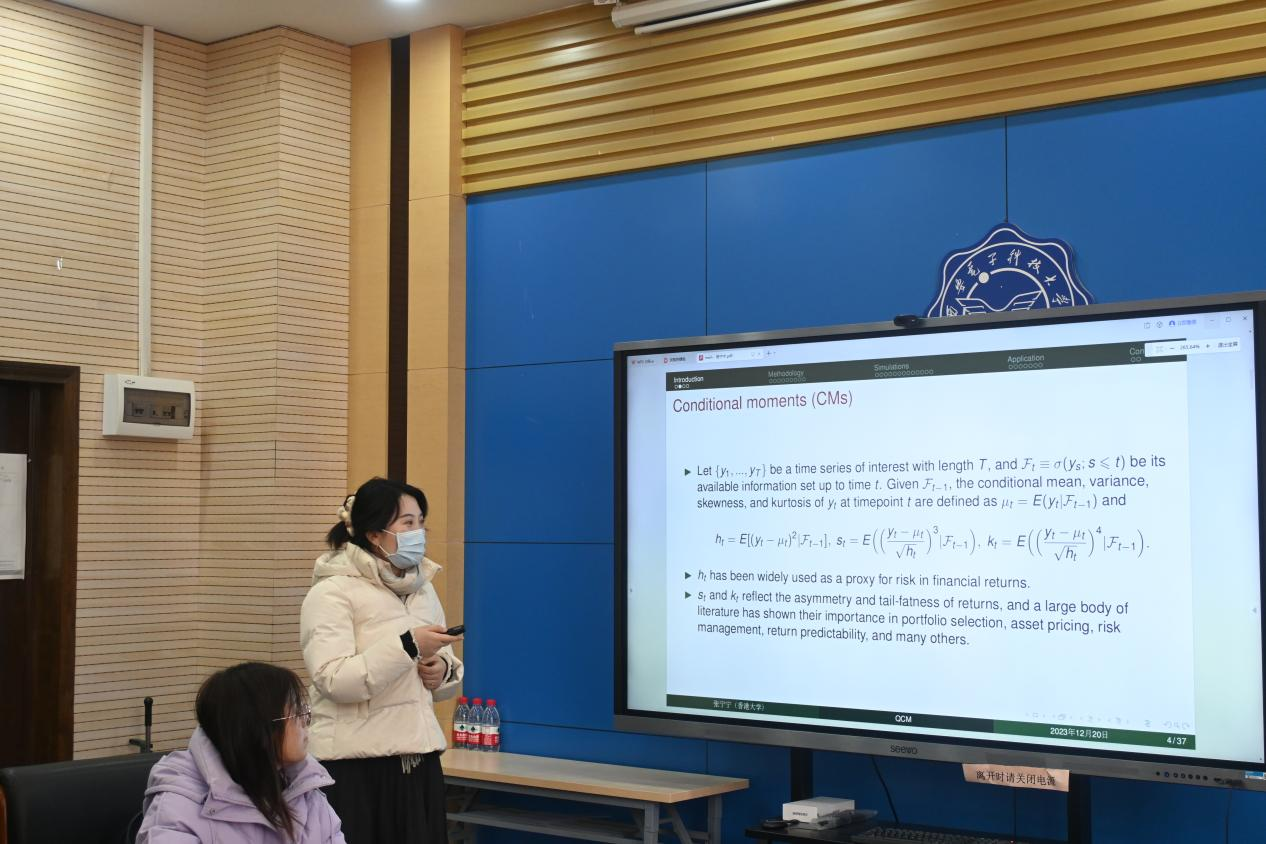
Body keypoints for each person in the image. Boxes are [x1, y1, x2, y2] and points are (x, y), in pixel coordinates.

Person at [300, 477, 463, 843]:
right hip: (356, 767)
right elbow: (334, 679)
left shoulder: (422, 588)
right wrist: (408, 647)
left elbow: (442, 668)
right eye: (407, 523)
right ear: (374, 534)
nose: (418, 532)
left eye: (421, 522)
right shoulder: (332, 591)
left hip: (419, 756)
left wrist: (442, 670)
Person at [137, 662, 345, 844]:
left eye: (304, 710)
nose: (306, 721)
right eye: (296, 712)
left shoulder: (305, 789)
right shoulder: (179, 805)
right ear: (258, 728)